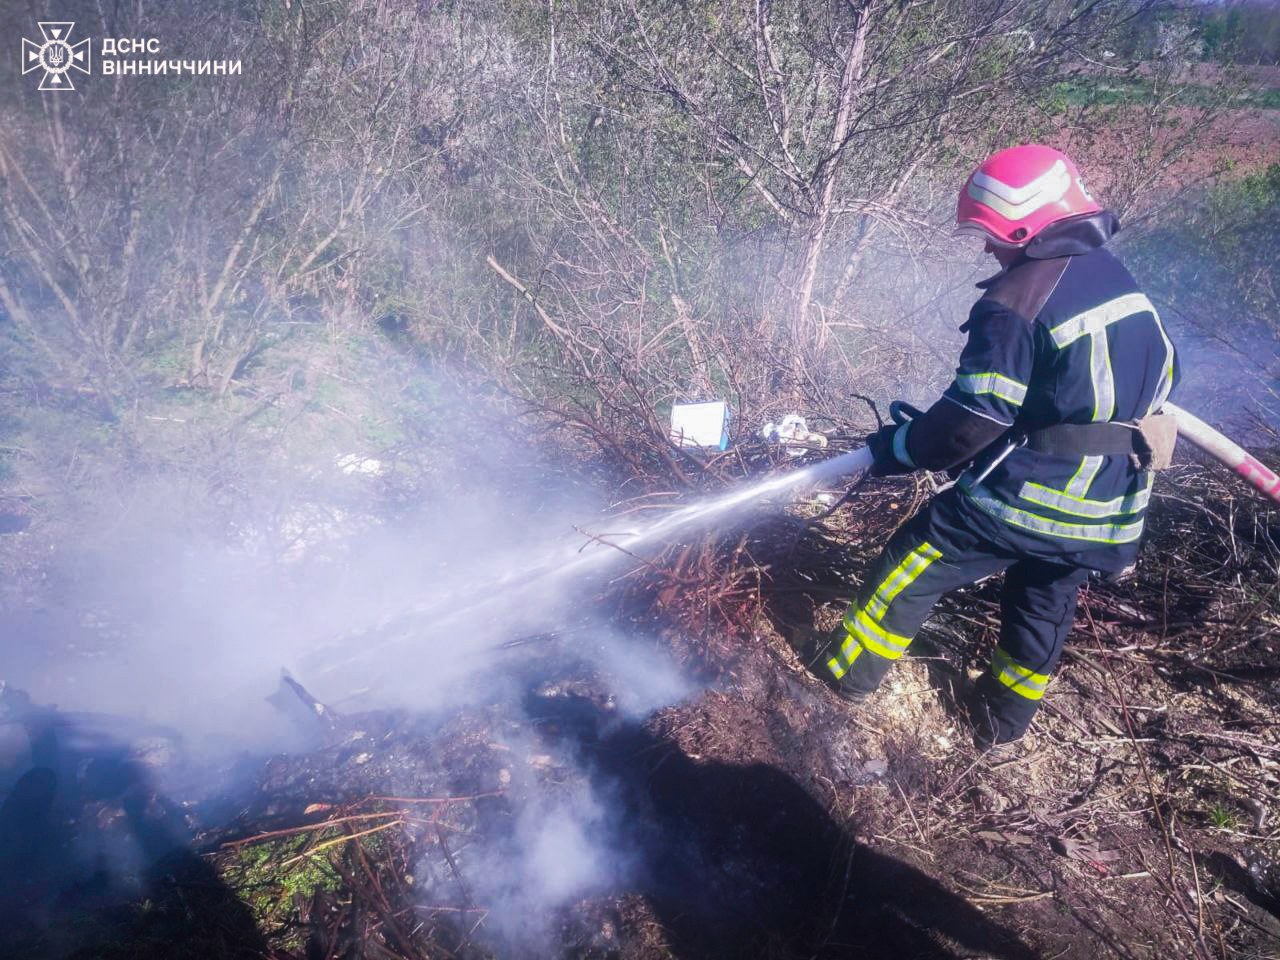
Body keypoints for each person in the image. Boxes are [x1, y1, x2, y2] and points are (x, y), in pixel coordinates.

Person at [821, 144, 1179, 750]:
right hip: (1109, 505)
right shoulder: (1118, 281)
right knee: (1045, 599)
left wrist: (901, 448)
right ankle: (1000, 723)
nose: (988, 248)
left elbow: (972, 420)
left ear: (1025, 225)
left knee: (917, 557)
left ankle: (845, 677)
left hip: (1036, 492)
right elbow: (1161, 379)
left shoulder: (1016, 301)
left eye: (993, 235)